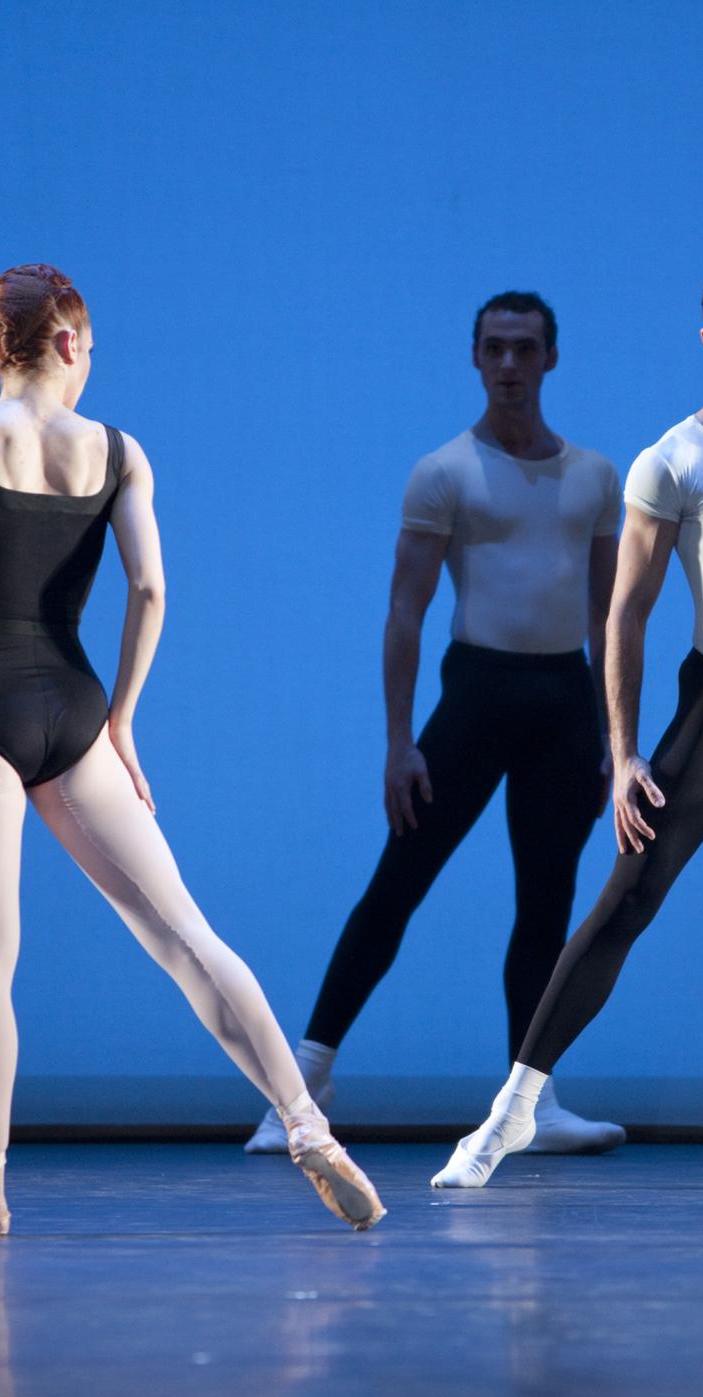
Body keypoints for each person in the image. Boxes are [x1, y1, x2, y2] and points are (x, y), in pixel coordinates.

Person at [0, 264, 383, 1235]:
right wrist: (119, 720)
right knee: (184, 935)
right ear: (71, 342)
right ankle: (306, 1123)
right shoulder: (119, 452)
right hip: (76, 713)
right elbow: (151, 590)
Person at [431, 254, 703, 1192]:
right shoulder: (674, 457)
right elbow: (623, 615)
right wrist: (627, 749)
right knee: (627, 900)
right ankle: (510, 1114)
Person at [243, 292, 627, 1157]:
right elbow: (405, 612)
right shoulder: (445, 471)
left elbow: (609, 620)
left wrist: (616, 736)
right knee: (398, 883)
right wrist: (397, 741)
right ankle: (303, 1087)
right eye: (494, 349)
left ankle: (533, 1102)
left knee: (547, 904)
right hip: (477, 695)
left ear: (551, 359)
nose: (509, 365)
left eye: (525, 349)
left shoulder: (597, 477)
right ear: (475, 358)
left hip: (564, 702)